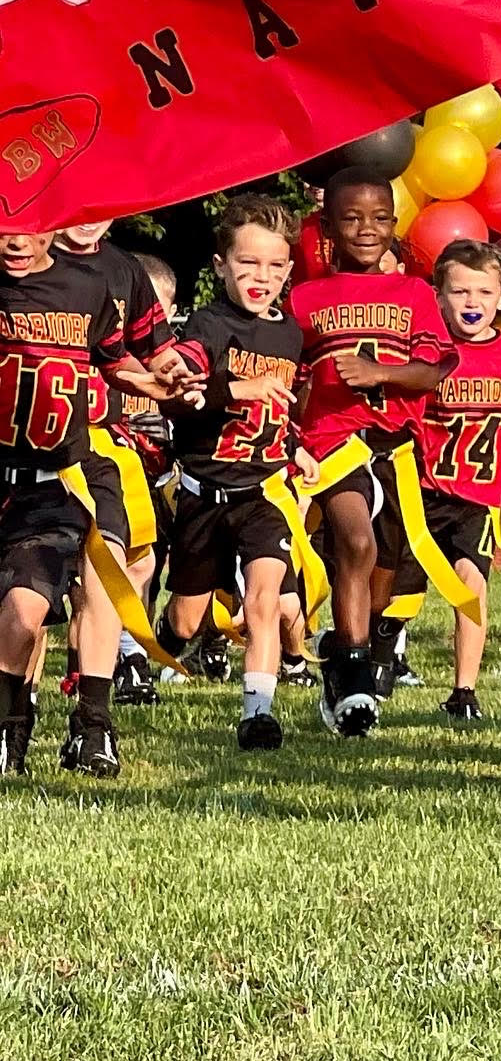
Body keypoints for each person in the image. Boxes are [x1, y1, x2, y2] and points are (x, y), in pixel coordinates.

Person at [0, 230, 184, 776]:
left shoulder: (89, 282)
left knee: (66, 592)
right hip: (9, 474)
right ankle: (16, 724)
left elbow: (115, 358)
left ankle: (77, 724)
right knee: (17, 615)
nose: (15, 237)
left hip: (62, 475)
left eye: (31, 223)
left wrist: (155, 383)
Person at [289, 168, 457, 737]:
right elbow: (285, 370)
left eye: (381, 218)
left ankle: (346, 650)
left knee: (385, 571)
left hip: (397, 448)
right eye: (353, 218)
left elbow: (435, 370)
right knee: (354, 543)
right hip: (334, 443)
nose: (368, 229)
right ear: (329, 228)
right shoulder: (305, 297)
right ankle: (356, 675)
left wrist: (380, 372)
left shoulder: (414, 293)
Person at [154, 196, 318, 750]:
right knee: (185, 618)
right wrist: (232, 388)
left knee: (265, 598)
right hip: (204, 492)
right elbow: (179, 397)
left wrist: (292, 446)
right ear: (221, 264)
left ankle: (259, 713)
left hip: (263, 492)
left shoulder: (291, 335)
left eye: (274, 266)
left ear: (289, 271)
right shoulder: (207, 322)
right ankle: (155, 653)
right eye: (248, 263)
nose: (261, 277)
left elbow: (280, 406)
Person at [52, 221, 188, 733]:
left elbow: (143, 349)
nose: (89, 217)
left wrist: (171, 374)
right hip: (25, 445)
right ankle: (17, 717)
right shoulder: (17, 265)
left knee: (111, 568)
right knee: (31, 590)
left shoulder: (121, 269)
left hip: (98, 446)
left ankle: (93, 721)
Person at [398, 238, 501, 722]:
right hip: (423, 488)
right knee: (398, 594)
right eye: (459, 292)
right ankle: (380, 656)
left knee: (472, 582)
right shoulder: (427, 353)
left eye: (482, 292)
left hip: (477, 496)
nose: (472, 303)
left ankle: (464, 690)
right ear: (438, 297)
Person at [112, 250, 180, 705]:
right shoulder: (105, 349)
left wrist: (171, 428)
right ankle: (122, 659)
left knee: (148, 570)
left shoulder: (176, 356)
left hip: (157, 481)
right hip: (108, 474)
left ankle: (132, 653)